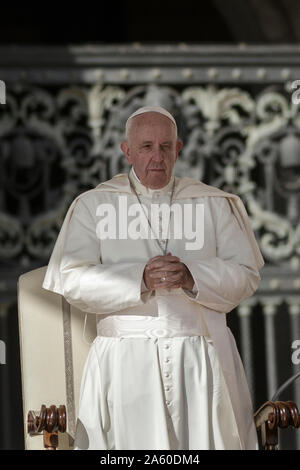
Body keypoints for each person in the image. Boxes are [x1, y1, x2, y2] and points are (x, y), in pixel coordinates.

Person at [42, 105, 264, 450]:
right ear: (126, 151)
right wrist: (138, 279)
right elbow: (71, 279)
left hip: (202, 359)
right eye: (146, 147)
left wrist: (193, 276)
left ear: (178, 149)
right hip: (125, 361)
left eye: (165, 146)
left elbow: (246, 275)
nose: (157, 156)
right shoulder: (93, 205)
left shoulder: (213, 204)